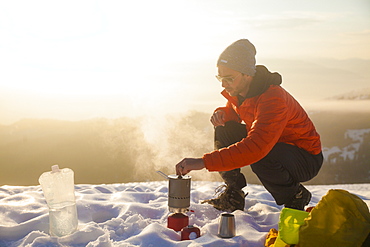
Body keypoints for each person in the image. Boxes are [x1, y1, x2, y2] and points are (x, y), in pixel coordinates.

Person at [175, 39, 323, 212]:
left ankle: (295, 195)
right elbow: (236, 112)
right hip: (278, 146)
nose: (223, 84)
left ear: (247, 74)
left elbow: (257, 146)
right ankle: (233, 194)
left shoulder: (272, 98)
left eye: (228, 78)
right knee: (225, 129)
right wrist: (224, 114)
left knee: (262, 155)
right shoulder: (242, 92)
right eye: (220, 78)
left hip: (304, 158)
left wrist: (203, 162)